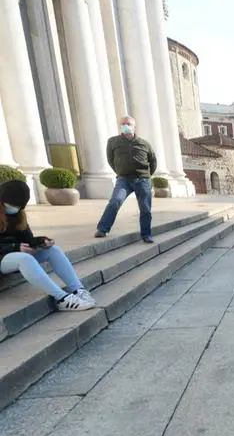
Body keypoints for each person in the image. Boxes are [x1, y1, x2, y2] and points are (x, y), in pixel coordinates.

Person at [1, 181, 95, 310]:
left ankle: (77, 290)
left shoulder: (17, 215)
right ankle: (62, 299)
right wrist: (14, 247)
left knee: (53, 250)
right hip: (4, 256)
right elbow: (17, 247)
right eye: (12, 205)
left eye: (19, 206)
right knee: (24, 259)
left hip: (11, 255)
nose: (14, 209)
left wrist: (41, 241)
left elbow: (27, 239)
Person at [95, 116, 157, 243]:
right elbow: (110, 159)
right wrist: (120, 171)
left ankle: (146, 234)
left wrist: (147, 175)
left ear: (134, 127)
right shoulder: (113, 142)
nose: (125, 126)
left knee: (145, 208)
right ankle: (103, 229)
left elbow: (153, 161)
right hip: (124, 180)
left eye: (128, 124)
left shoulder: (144, 143)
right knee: (115, 201)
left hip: (142, 180)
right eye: (123, 124)